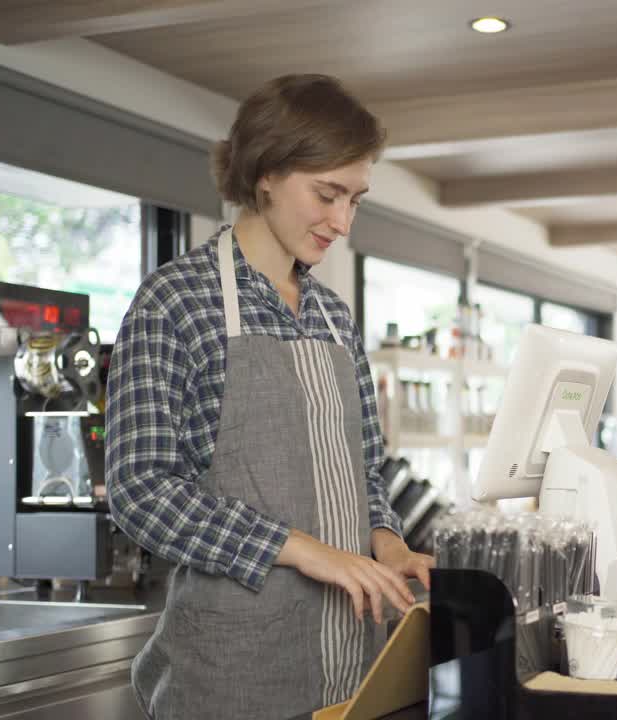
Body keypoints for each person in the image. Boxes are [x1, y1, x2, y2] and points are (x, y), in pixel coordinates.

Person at [105, 74, 434, 719]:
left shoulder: (335, 318)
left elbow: (366, 470)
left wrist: (387, 543)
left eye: (355, 199)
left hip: (351, 673)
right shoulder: (176, 302)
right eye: (326, 194)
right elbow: (141, 490)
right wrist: (305, 550)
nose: (342, 222)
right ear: (264, 175)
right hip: (234, 678)